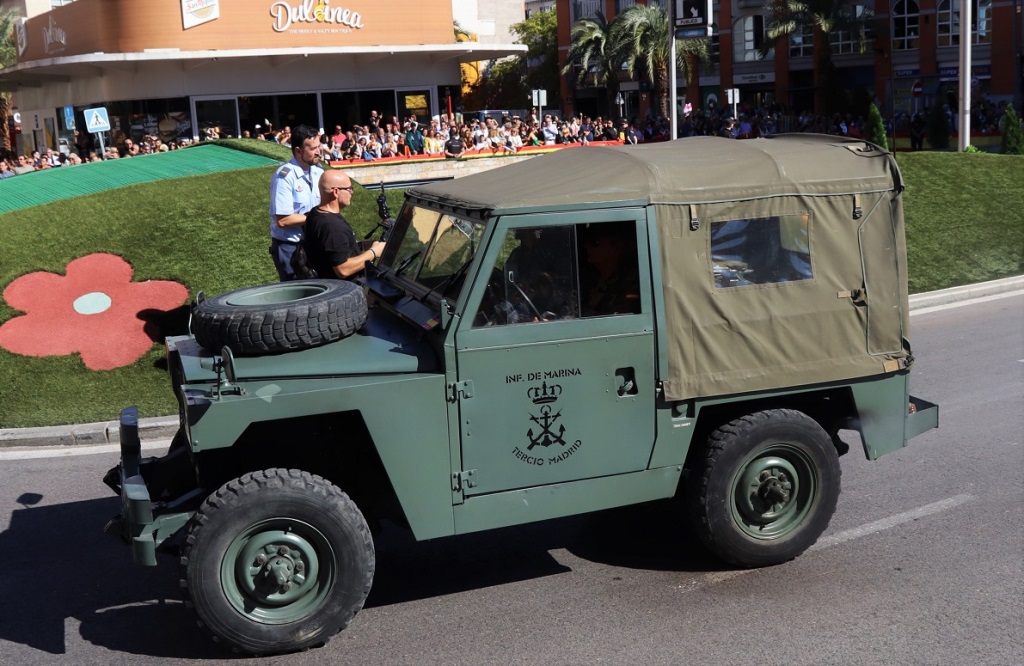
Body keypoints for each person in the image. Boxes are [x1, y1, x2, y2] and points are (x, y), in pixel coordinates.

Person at [302, 170, 386, 280]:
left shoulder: (315, 213)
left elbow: (332, 249)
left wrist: (364, 245)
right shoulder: (332, 226)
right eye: (349, 189)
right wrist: (374, 252)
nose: (352, 192)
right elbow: (343, 269)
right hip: (345, 290)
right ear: (336, 192)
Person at [268, 124, 324, 281]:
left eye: (319, 147)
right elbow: (283, 220)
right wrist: (319, 218)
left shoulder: (319, 172)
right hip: (290, 249)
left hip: (313, 245)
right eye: (313, 148)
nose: (319, 152)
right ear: (299, 151)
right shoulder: (284, 176)